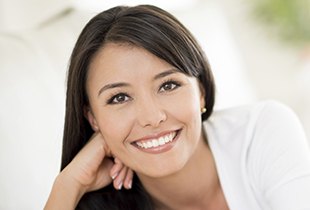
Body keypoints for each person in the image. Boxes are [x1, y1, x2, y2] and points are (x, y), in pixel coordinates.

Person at [44, 4, 310, 210]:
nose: (152, 117)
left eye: (168, 85)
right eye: (119, 98)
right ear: (93, 119)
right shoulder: (101, 200)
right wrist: (69, 185)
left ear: (201, 91)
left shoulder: (261, 132)